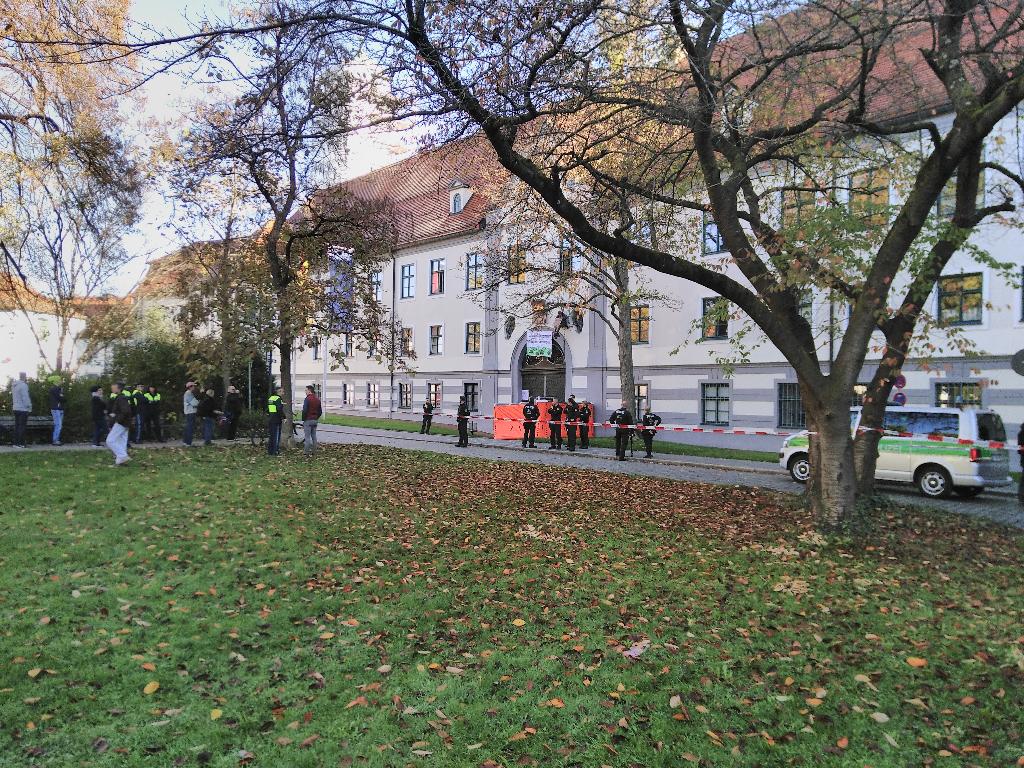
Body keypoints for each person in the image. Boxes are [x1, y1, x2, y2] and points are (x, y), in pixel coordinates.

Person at [105, 382, 132, 466]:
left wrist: (117, 420)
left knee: (110, 440)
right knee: (121, 442)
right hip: (125, 423)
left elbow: (125, 411)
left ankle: (123, 456)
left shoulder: (121, 398)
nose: (112, 389)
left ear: (119, 388)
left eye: (113, 387)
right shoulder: (120, 397)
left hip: (121, 423)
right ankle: (121, 462)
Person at [11, 372, 31, 448]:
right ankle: (20, 443)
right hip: (23, 409)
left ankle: (15, 443)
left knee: (17, 426)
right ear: (25, 377)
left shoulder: (14, 386)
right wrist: (29, 406)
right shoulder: (23, 385)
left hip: (15, 408)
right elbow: (25, 397)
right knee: (22, 426)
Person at [301, 385, 322, 455]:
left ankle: (306, 452)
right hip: (315, 420)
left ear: (309, 391)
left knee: (307, 437)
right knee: (314, 436)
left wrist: (304, 419)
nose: (305, 392)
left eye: (306, 390)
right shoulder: (317, 399)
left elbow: (305, 410)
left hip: (308, 419)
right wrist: (316, 417)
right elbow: (320, 412)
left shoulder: (307, 399)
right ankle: (314, 451)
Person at [267, 386, 284, 456]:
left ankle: (270, 451)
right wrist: (284, 417)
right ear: (279, 392)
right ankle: (275, 452)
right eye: (282, 391)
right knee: (276, 436)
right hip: (277, 419)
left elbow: (268, 409)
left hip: (271, 418)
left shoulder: (271, 398)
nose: (283, 393)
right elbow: (279, 409)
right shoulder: (278, 399)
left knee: (272, 436)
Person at [48, 378, 65, 445]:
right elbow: (61, 398)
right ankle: (55, 440)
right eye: (60, 380)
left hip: (59, 409)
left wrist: (61, 394)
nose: (62, 381)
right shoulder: (55, 389)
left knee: (58, 425)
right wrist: (61, 394)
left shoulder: (58, 389)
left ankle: (56, 439)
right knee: (58, 425)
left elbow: (63, 398)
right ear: (57, 381)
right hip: (56, 409)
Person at [182, 382, 199, 446]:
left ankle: (185, 442)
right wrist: (198, 402)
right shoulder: (188, 393)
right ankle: (188, 442)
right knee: (190, 427)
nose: (194, 387)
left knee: (188, 427)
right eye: (193, 386)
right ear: (190, 387)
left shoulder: (189, 393)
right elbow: (194, 403)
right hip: (190, 412)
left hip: (189, 412)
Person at [1018, 422, 1024, 504]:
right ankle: (1021, 496)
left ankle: (1021, 495)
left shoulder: (1021, 433)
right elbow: (1020, 448)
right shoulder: (1022, 433)